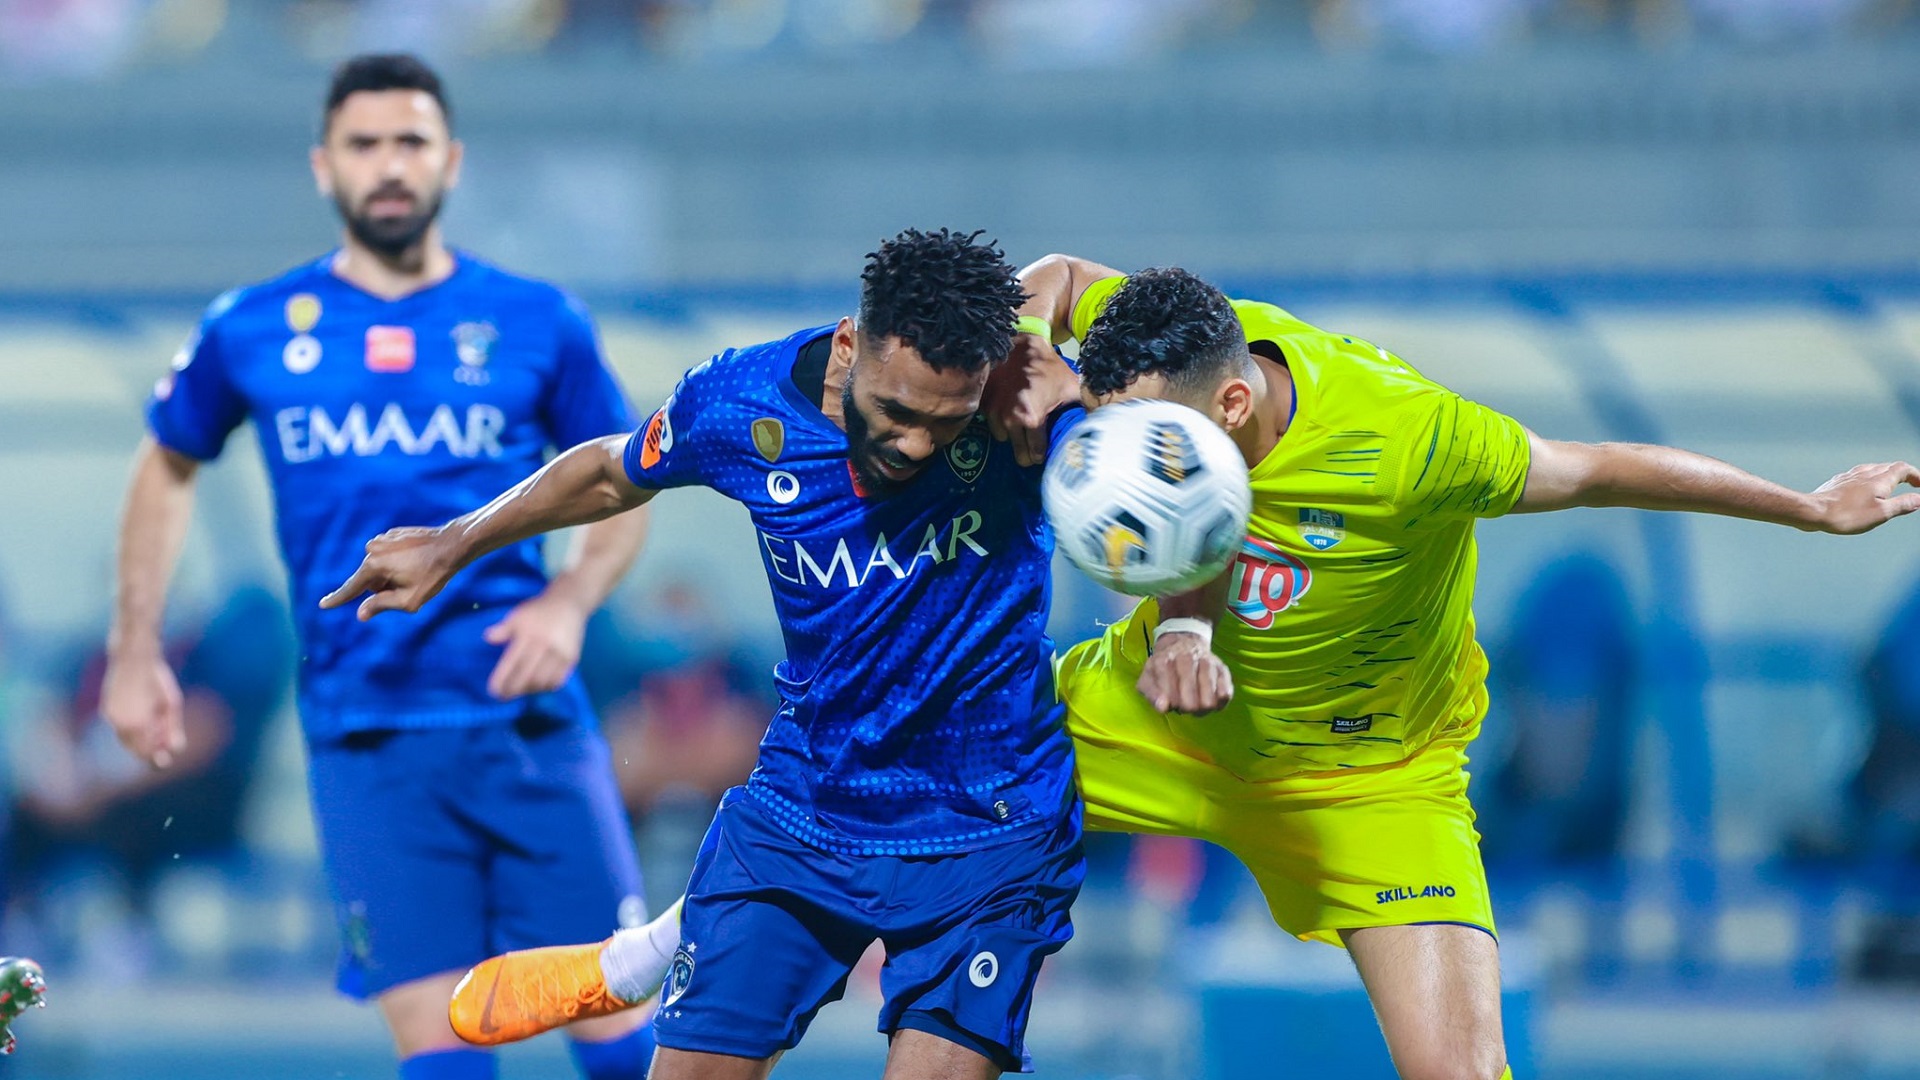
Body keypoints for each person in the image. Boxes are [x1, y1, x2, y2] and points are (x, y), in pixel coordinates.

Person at [454, 254, 1920, 1080]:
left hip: (1369, 778)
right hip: (1149, 720)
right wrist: (1039, 374)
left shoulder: (1411, 437)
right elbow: (1059, 280)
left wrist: (1809, 505)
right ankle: (652, 956)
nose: (1105, 450)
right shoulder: (1132, 359)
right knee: (896, 762)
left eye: (1149, 436)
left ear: (1233, 404)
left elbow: (1599, 467)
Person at [324, 229, 1086, 1080]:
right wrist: (455, 542)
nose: (914, 445)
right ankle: (641, 955)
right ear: (847, 347)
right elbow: (613, 473)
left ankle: (637, 956)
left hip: (988, 828)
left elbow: (1120, 316)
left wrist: (1089, 397)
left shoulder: (1025, 401)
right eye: (897, 414)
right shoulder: (740, 403)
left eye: (943, 426)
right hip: (808, 812)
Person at [101, 53, 655, 1080]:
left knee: (621, 1044)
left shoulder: (538, 319)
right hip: (369, 740)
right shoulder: (252, 326)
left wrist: (573, 599)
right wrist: (135, 648)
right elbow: (165, 462)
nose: (389, 165)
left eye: (411, 142)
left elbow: (623, 476)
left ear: (451, 160)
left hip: (526, 725)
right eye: (366, 144)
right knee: (444, 1059)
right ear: (324, 166)